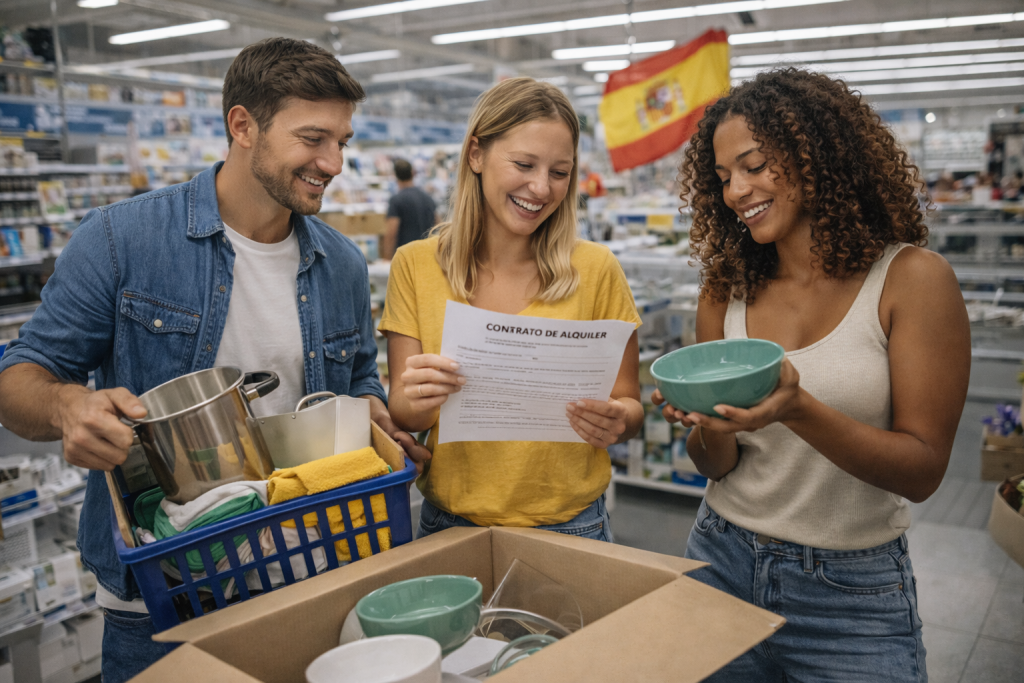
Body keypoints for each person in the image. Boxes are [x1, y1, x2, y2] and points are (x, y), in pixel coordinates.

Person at [0, 38, 428, 682]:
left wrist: (374, 412)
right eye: (313, 138)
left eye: (342, 140)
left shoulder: (339, 263)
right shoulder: (123, 240)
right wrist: (70, 406)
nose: (334, 162)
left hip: (310, 569)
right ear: (242, 125)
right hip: (165, 600)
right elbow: (18, 381)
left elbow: (359, 376)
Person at [653, 68, 970, 681]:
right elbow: (714, 464)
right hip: (719, 559)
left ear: (815, 155)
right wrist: (709, 423)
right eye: (721, 179)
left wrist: (797, 409)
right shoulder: (726, 289)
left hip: (851, 594)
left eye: (753, 165)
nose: (736, 192)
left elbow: (925, 468)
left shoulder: (911, 281)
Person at [378, 78, 644, 541]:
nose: (540, 188)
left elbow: (629, 404)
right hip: (450, 521)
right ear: (475, 155)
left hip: (573, 523)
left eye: (560, 172)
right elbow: (403, 414)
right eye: (523, 164)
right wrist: (418, 399)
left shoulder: (597, 270)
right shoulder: (416, 265)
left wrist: (618, 420)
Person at [382, 158, 437, 259]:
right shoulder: (428, 198)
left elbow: (391, 233)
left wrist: (387, 259)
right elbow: (437, 225)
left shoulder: (396, 200)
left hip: (407, 256)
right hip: (428, 254)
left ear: (395, 175)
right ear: (413, 173)